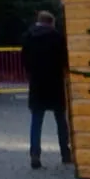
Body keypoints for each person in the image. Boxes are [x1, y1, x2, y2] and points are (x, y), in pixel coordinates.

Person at [21, 9, 72, 169]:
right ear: (51, 22)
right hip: (55, 83)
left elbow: (24, 60)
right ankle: (65, 153)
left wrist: (31, 73)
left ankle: (35, 154)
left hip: (37, 84)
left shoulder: (28, 37)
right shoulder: (57, 37)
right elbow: (65, 60)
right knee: (60, 120)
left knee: (36, 121)